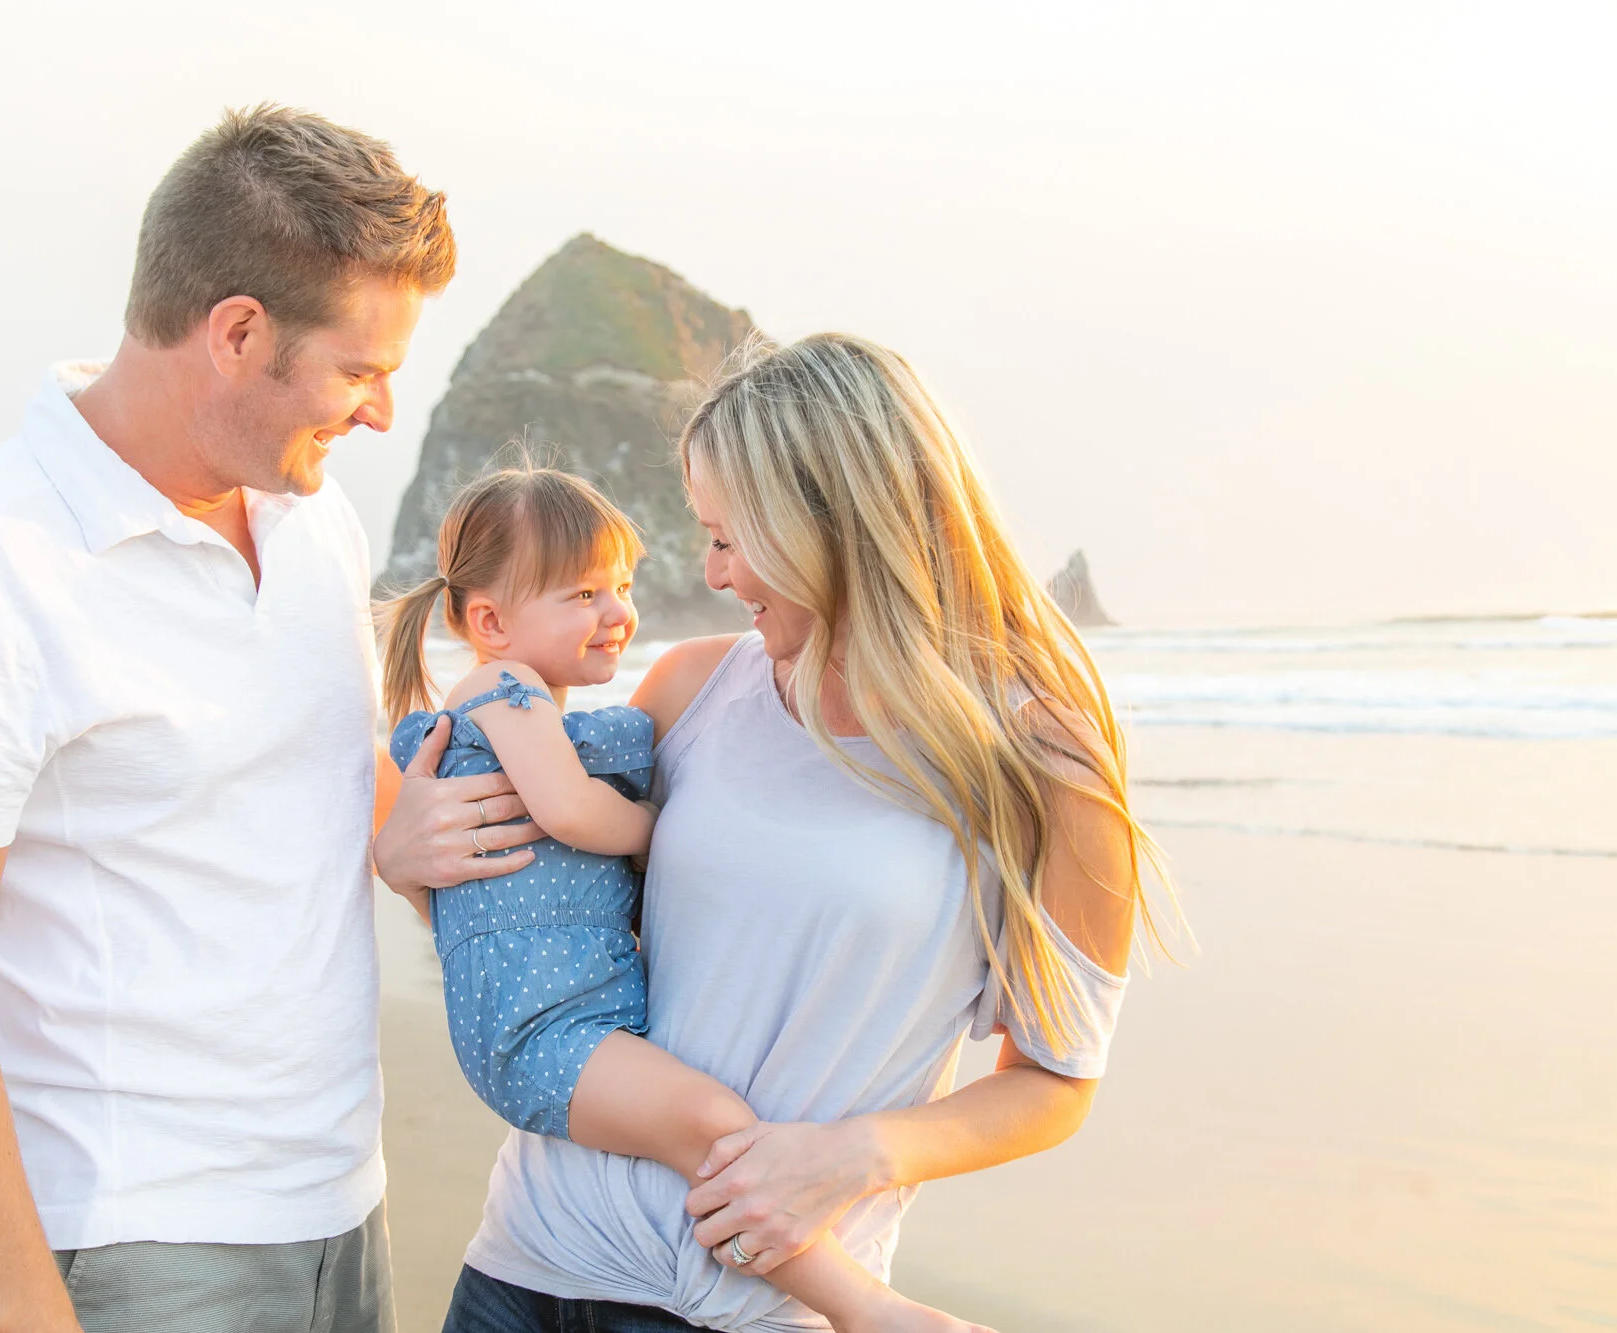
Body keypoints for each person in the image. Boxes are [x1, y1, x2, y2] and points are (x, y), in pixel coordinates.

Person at [0, 105, 530, 1333]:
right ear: (238, 332)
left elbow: (309, 760)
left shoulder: (311, 520)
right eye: (359, 370)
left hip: (334, 1203)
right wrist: (20, 1314)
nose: (378, 415)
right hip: (122, 1244)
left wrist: (411, 822)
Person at [388, 333, 1174, 1332]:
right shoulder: (690, 692)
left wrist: (859, 1153)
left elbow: (1055, 1082)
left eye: (729, 536)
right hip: (528, 1269)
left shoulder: (1040, 764)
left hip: (767, 1308)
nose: (712, 573)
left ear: (837, 522)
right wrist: (407, 861)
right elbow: (551, 918)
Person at [376, 465, 977, 1331]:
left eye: (620, 586)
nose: (618, 610)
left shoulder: (542, 715)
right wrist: (661, 823)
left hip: (559, 1019)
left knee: (704, 1121)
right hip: (541, 1034)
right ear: (491, 622)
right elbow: (571, 812)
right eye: (582, 592)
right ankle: (866, 1308)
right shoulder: (500, 694)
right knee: (711, 1121)